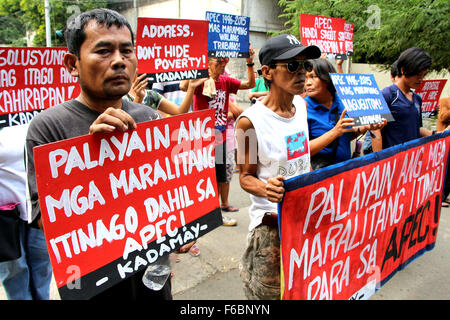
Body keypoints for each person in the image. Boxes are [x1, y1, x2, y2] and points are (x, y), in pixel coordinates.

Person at [25, 8, 193, 300]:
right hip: (92, 287)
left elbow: (166, 193)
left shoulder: (150, 118)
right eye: (103, 51)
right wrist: (91, 158)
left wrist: (182, 227)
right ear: (72, 64)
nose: (119, 61)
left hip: (152, 283)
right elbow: (45, 222)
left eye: (127, 50)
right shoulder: (48, 128)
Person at [235, 34, 321, 299]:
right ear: (267, 72)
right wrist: (266, 188)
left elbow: (301, 153)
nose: (303, 73)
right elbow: (245, 177)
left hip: (304, 219)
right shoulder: (247, 123)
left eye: (306, 65)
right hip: (271, 229)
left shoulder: (301, 106)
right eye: (292, 66)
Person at [180, 49, 256, 226]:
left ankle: (216, 213)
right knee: (201, 176)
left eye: (225, 62)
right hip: (201, 136)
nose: (223, 65)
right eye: (219, 62)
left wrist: (250, 62)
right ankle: (196, 214)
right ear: (207, 63)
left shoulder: (225, 81)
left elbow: (250, 83)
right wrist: (194, 67)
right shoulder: (199, 80)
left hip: (220, 136)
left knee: (219, 175)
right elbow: (184, 87)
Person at [0, 124, 52, 300]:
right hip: (4, 215)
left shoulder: (46, 118)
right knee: (14, 272)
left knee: (42, 267)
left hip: (40, 206)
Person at [305, 58, 386, 169]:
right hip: (319, 177)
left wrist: (364, 127)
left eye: (313, 77)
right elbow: (300, 152)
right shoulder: (302, 108)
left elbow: (345, 137)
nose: (307, 83)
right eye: (305, 78)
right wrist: (335, 132)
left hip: (344, 174)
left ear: (327, 78)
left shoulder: (344, 102)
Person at [371, 47, 433, 152]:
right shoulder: (387, 95)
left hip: (410, 160)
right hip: (391, 161)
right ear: (403, 70)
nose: (421, 79)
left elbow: (416, 128)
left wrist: (437, 134)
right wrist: (379, 161)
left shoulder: (417, 99)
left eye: (424, 75)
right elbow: (375, 131)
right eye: (418, 75)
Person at [436, 97, 450, 207]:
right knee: (445, 168)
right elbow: (442, 117)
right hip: (445, 139)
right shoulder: (445, 101)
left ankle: (445, 195)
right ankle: (441, 197)